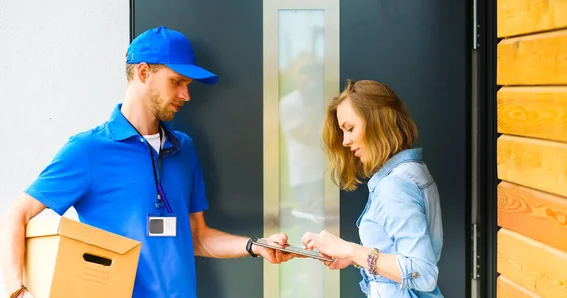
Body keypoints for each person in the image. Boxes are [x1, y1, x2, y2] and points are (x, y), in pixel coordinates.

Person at [0, 26, 295, 298]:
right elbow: (16, 215)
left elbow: (196, 237)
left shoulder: (185, 149)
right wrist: (17, 292)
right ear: (143, 73)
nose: (186, 95)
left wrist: (255, 246)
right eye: (177, 82)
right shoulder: (88, 150)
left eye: (188, 84)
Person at [301, 80, 444, 297]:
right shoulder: (413, 170)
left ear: (377, 121)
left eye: (349, 129)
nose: (346, 141)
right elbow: (399, 254)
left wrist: (351, 250)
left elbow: (422, 273)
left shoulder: (395, 186)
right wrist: (353, 258)